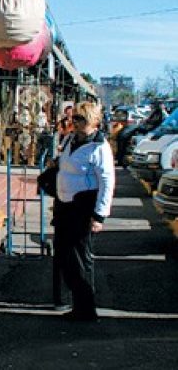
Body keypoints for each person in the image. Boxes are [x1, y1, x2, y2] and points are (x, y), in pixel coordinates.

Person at [53, 101, 115, 321]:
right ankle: (74, 303)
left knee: (80, 258)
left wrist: (99, 215)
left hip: (83, 205)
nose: (76, 123)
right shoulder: (71, 139)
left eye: (81, 119)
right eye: (75, 118)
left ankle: (86, 309)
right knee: (63, 254)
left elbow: (107, 181)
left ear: (94, 122)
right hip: (64, 203)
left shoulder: (99, 146)